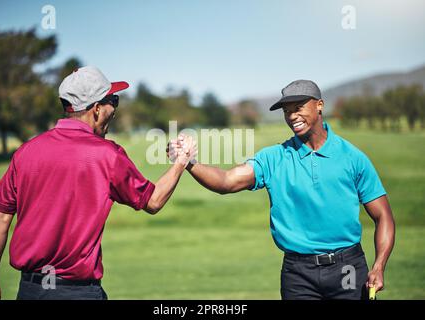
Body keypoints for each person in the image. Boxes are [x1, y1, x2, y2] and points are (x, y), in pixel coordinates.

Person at [0, 66, 196, 300]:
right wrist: (182, 161)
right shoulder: (107, 155)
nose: (114, 109)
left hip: (30, 290)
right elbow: (153, 201)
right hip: (78, 292)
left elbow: (1, 217)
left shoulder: (26, 152)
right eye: (113, 100)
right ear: (97, 109)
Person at [169, 80, 395, 300]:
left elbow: (383, 215)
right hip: (298, 273)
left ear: (319, 105)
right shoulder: (273, 158)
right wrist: (188, 162)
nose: (292, 116)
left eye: (298, 108)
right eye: (287, 111)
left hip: (348, 267)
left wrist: (379, 265)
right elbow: (227, 181)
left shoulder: (352, 157)